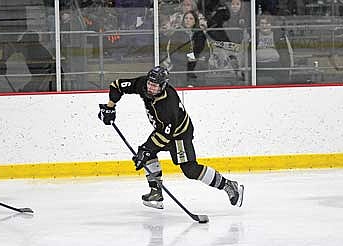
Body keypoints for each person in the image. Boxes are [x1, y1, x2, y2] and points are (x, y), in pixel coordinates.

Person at [98, 65, 244, 209]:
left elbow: (165, 134)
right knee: (146, 153)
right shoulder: (143, 84)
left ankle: (228, 185)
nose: (150, 88)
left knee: (190, 170)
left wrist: (147, 150)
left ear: (163, 85)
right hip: (163, 130)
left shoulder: (168, 103)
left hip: (179, 134)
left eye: (155, 86)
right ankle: (156, 193)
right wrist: (110, 107)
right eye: (150, 83)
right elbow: (117, 85)